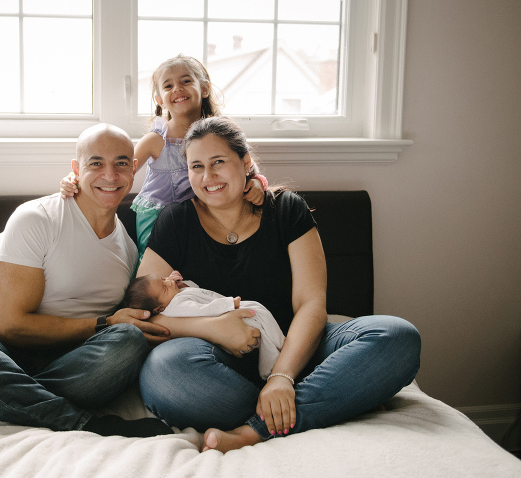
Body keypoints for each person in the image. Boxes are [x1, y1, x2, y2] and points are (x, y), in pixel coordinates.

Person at [135, 117, 421, 453]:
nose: (207, 177)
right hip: (219, 361)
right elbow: (142, 315)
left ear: (245, 163)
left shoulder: (286, 210)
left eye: (218, 163)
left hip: (300, 348)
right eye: (196, 166)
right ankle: (332, 399)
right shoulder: (176, 221)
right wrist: (214, 328)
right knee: (162, 372)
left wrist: (282, 377)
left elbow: (311, 304)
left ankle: (256, 428)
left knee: (398, 337)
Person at [0, 124, 174, 438]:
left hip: (81, 366)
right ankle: (79, 422)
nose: (110, 175)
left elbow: (124, 327)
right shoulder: (37, 219)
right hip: (11, 358)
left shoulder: (130, 247)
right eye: (96, 163)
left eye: (120, 163)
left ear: (133, 170)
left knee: (129, 341)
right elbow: (12, 328)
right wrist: (104, 323)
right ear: (76, 169)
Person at [59, 54, 267, 259]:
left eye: (186, 81)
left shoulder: (220, 134)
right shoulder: (156, 139)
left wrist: (258, 183)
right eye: (168, 86)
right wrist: (74, 179)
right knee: (155, 269)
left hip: (199, 213)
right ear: (160, 100)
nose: (177, 89)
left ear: (204, 88)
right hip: (155, 215)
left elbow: (247, 167)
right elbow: (118, 170)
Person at [122, 270, 285, 379]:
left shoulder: (174, 296)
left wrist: (182, 284)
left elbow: (198, 291)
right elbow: (202, 309)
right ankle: (273, 359)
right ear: (159, 308)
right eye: (164, 287)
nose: (169, 282)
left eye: (164, 279)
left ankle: (278, 348)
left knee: (260, 315)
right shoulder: (175, 307)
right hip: (228, 318)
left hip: (228, 317)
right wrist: (229, 304)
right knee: (259, 317)